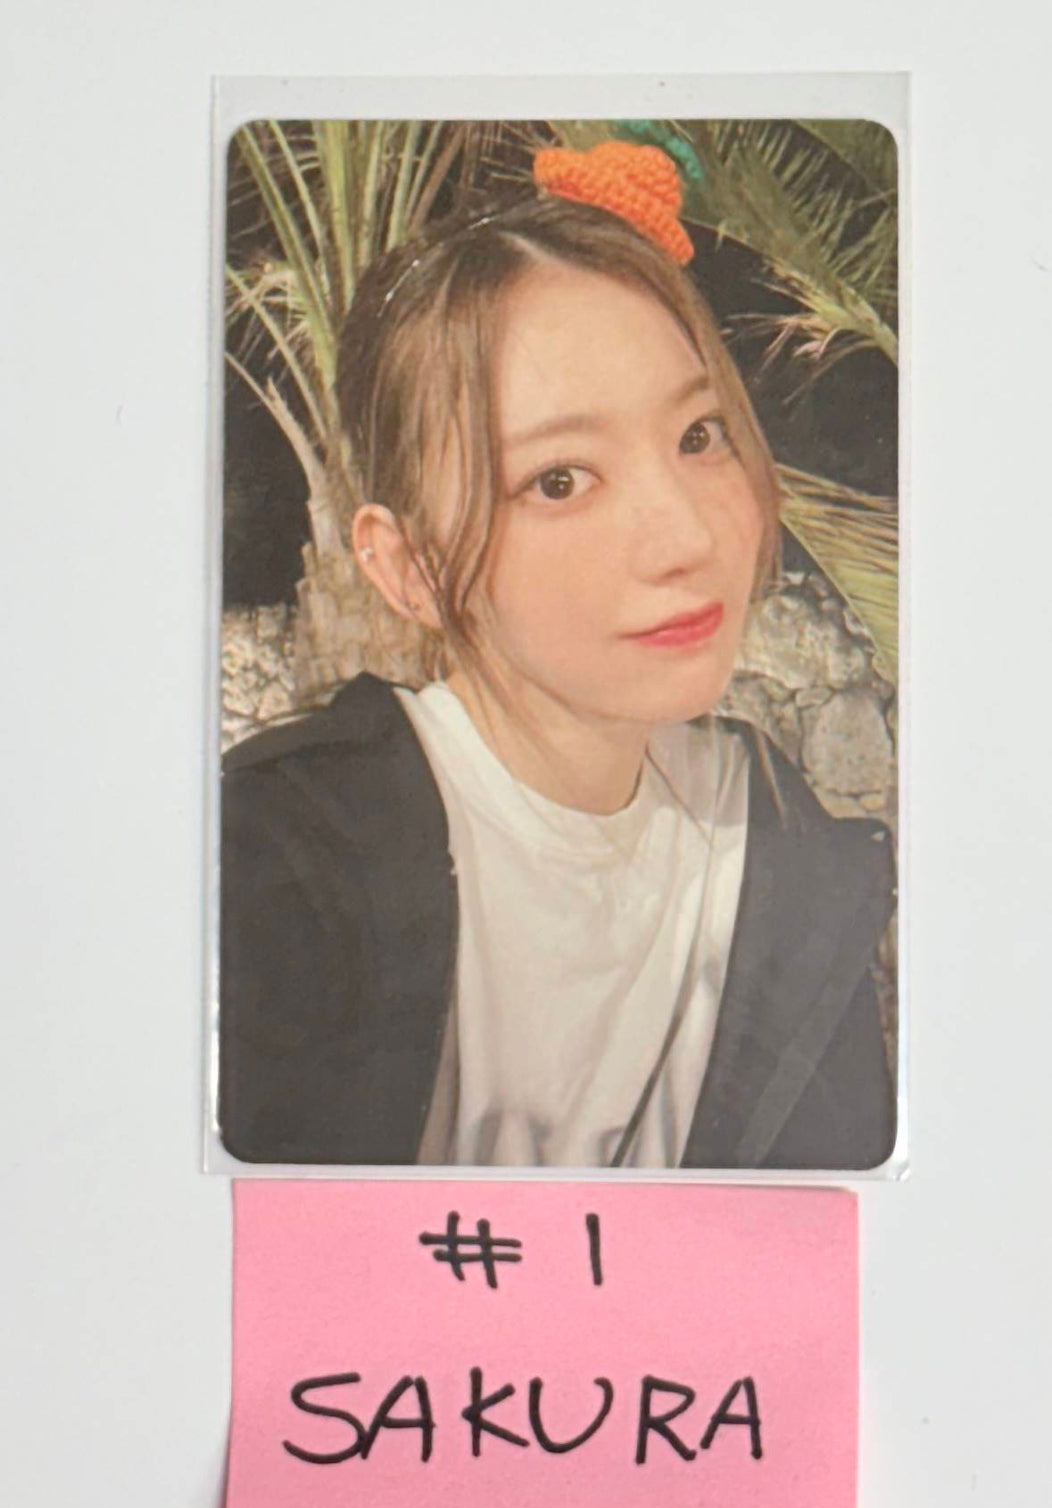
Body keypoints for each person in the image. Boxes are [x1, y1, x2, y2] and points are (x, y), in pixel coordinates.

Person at [219, 141, 896, 1170]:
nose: (685, 538)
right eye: (559, 481)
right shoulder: (282, 866)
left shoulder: (776, 843)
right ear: (406, 568)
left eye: (700, 435)